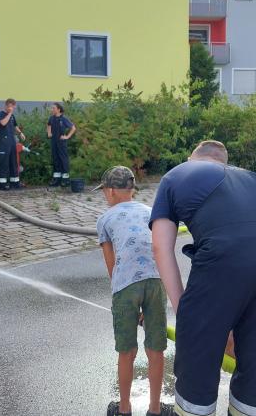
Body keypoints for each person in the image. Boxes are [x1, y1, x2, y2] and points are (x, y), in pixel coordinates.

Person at [151, 140, 256, 416]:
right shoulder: (252, 179)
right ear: (224, 161)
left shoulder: (177, 174)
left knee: (199, 362)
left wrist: (186, 314)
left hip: (229, 251)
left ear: (192, 157)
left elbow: (160, 246)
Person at [95, 166, 174, 416]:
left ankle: (125, 408)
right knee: (156, 349)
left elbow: (112, 264)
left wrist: (122, 293)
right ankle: (154, 409)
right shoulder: (150, 211)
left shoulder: (105, 219)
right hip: (155, 280)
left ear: (110, 191)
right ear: (131, 189)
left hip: (125, 285)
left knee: (127, 350)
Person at [0, 98, 25, 190]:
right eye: (10, 107)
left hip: (12, 141)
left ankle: (15, 182)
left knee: (13, 162)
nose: (12, 109)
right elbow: (3, 123)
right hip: (4, 142)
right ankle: (2, 184)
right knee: (4, 163)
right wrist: (9, 114)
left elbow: (15, 125)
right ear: (7, 106)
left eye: (13, 107)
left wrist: (20, 133)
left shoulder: (12, 116)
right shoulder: (0, 115)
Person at [47, 102, 76, 187]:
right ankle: (57, 179)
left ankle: (65, 179)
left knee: (63, 159)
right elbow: (48, 125)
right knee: (55, 159)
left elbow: (73, 128)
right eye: (52, 108)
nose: (52, 110)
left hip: (61, 142)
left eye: (53, 108)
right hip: (54, 142)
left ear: (58, 109)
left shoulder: (64, 118)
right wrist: (49, 133)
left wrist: (67, 136)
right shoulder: (51, 118)